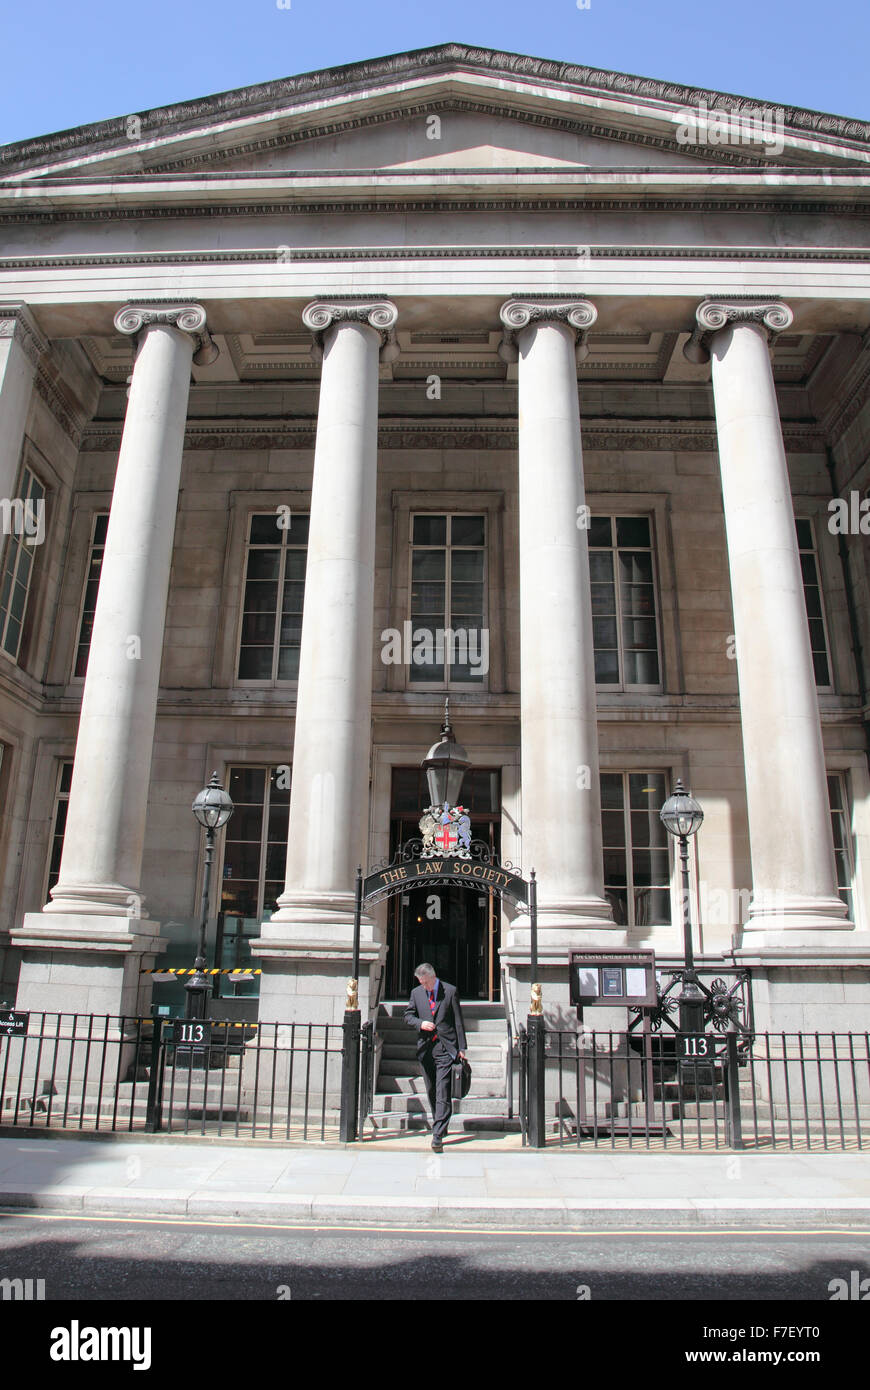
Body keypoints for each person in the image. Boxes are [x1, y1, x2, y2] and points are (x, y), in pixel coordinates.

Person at [404, 963, 467, 1152]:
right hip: (426, 1048)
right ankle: (441, 1122)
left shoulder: (450, 991)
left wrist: (461, 1047)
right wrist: (420, 1023)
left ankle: (437, 1134)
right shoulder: (417, 993)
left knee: (442, 1090)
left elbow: (458, 1019)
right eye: (421, 983)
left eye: (426, 983)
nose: (424, 986)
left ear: (433, 977)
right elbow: (408, 1016)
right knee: (432, 1089)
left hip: (444, 1047)